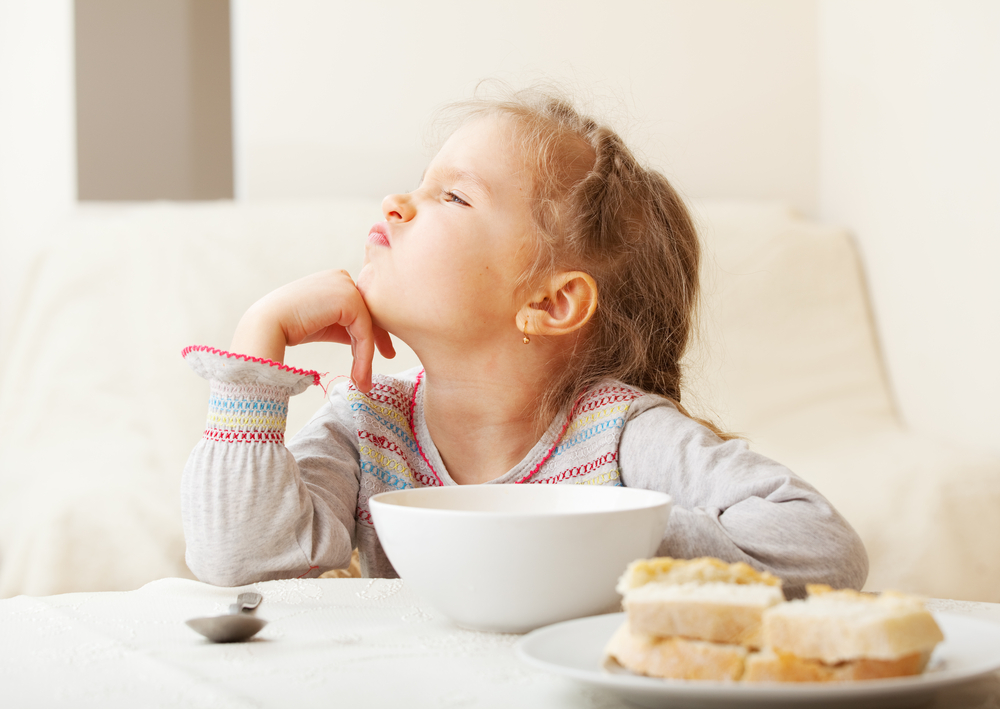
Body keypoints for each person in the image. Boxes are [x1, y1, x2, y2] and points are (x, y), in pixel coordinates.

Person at [180, 87, 868, 598]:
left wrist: (610, 536)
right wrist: (257, 342)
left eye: (453, 197)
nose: (395, 202)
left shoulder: (618, 434)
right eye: (421, 184)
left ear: (550, 302)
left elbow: (823, 547)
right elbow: (242, 562)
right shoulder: (366, 427)